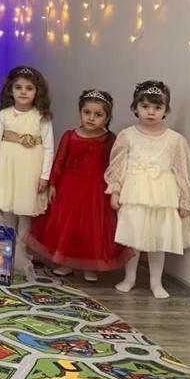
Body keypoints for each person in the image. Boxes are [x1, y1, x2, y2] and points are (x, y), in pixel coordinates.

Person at [106, 81, 190, 299]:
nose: (151, 112)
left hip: (163, 196)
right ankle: (130, 278)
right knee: (133, 239)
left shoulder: (175, 140)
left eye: (157, 107)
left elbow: (183, 171)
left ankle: (156, 282)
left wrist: (184, 200)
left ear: (166, 110)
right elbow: (117, 165)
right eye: (145, 106)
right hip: (135, 194)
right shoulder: (127, 135)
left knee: (158, 240)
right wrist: (115, 190)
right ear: (135, 107)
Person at [27, 89, 128, 282]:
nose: (91, 118)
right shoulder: (70, 135)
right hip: (70, 188)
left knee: (91, 229)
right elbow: (59, 161)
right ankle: (66, 263)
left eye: (98, 114)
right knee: (68, 228)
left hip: (96, 191)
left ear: (107, 118)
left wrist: (116, 187)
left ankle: (90, 265)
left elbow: (115, 165)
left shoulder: (109, 139)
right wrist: (53, 184)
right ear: (80, 112)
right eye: (87, 112)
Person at [0, 66, 55, 278]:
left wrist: (44, 176)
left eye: (29, 88)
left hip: (30, 170)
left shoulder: (41, 117)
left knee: (25, 215)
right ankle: (7, 255)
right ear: (11, 90)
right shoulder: (4, 115)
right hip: (7, 169)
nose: (23, 92)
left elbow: (49, 148)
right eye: (18, 87)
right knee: (8, 213)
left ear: (37, 91)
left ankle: (22, 257)